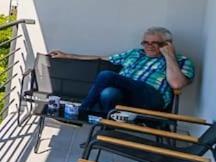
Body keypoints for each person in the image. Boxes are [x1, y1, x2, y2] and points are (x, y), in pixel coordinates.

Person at [49, 26, 194, 116]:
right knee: (108, 93)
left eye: (155, 43)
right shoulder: (135, 53)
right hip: (125, 95)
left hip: (151, 98)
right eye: (146, 42)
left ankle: (83, 111)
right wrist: (67, 55)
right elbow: (103, 58)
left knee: (107, 75)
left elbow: (176, 84)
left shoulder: (181, 61)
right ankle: (107, 130)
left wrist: (169, 55)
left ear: (167, 44)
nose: (149, 46)